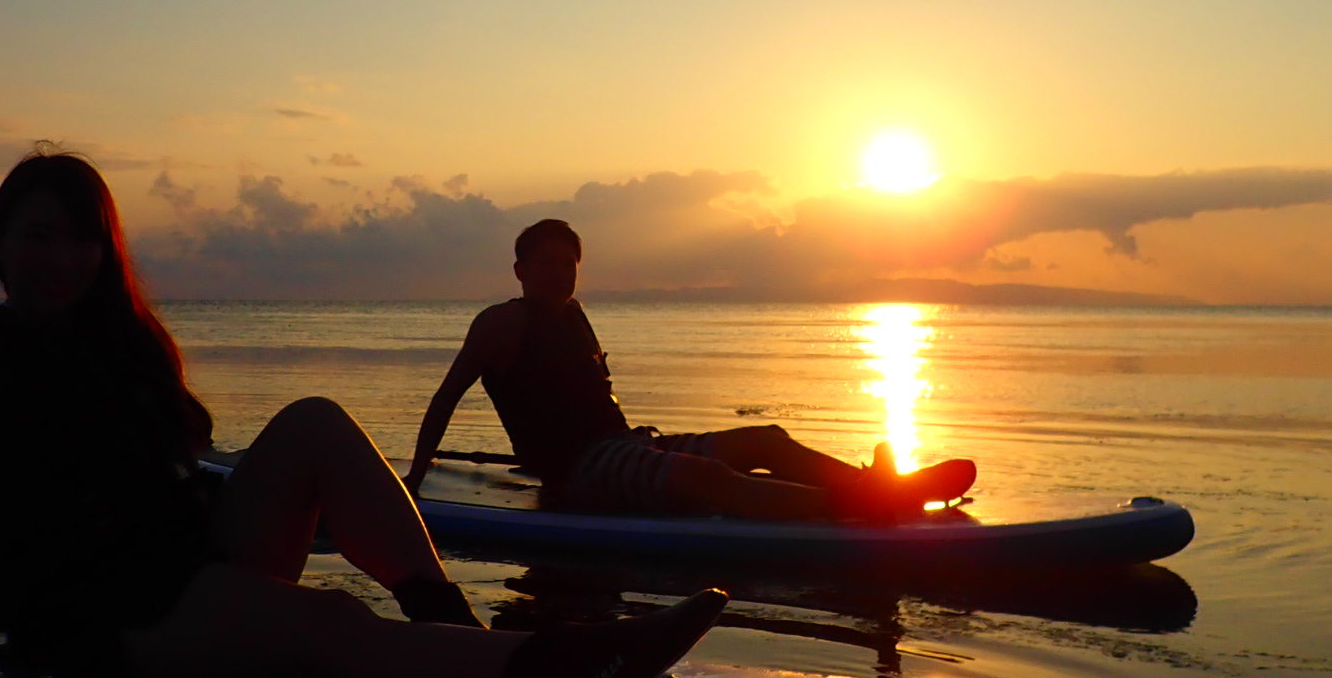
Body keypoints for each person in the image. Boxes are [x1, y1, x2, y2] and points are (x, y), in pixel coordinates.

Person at [0, 152, 725, 678]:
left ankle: (455, 634)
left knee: (314, 424)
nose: (57, 258)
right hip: (101, 627)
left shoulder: (118, 348)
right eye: (36, 237)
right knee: (330, 620)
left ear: (103, 252)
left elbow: (168, 479)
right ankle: (551, 676)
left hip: (184, 570)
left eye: (79, 239)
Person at [407, 219, 977, 520]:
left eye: (569, 264)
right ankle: (866, 505)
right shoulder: (501, 324)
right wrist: (415, 477)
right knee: (707, 483)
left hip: (625, 449)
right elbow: (446, 396)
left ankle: (881, 488)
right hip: (580, 473)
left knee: (766, 440)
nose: (560, 274)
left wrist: (640, 450)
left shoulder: (575, 316)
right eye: (547, 264)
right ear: (520, 270)